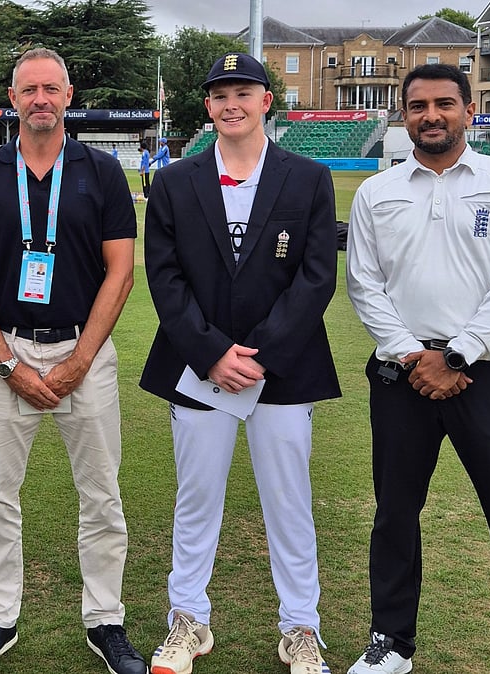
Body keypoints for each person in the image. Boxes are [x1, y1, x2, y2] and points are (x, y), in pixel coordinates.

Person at [345, 63, 490, 674]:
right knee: (393, 517)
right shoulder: (376, 193)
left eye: (444, 103)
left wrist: (459, 354)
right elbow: (365, 285)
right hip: (402, 375)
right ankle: (392, 643)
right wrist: (417, 356)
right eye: (418, 106)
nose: (431, 115)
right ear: (403, 114)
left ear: (469, 110)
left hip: (484, 375)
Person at [139, 52, 341, 674]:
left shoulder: (308, 177)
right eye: (220, 94)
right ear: (208, 106)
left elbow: (316, 277)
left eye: (243, 92)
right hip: (199, 368)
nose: (232, 103)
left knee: (289, 502)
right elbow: (165, 278)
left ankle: (300, 629)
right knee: (197, 499)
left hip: (282, 369)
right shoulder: (174, 182)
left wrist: (259, 355)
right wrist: (210, 353)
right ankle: (187, 621)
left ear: (265, 101)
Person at [0, 47, 146, 674]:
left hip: (83, 349)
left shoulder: (102, 171)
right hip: (6, 353)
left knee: (103, 496)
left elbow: (121, 271)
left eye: (51, 89)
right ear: (13, 98)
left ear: (68, 97)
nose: (40, 99)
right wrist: (10, 365)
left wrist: (78, 362)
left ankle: (105, 620)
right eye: (29, 89)